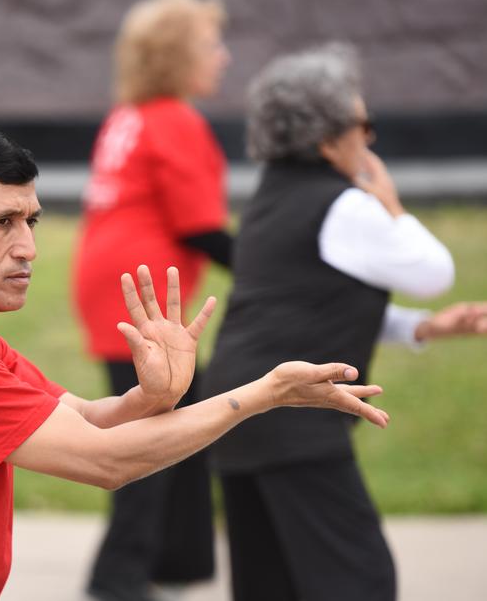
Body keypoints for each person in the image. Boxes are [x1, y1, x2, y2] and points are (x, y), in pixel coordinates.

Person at [0, 120, 391, 601]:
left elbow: (84, 418)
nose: (27, 247)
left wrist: (152, 398)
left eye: (30, 221)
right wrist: (262, 396)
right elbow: (106, 462)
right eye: (2, 223)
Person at [199, 43, 487, 601]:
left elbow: (309, 303)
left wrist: (422, 329)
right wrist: (392, 204)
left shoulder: (270, 197)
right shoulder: (345, 206)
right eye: (363, 123)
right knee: (357, 579)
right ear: (329, 139)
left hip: (236, 408)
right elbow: (435, 271)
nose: (371, 138)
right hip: (292, 419)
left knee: (270, 584)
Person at [72, 0, 232, 601]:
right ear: (177, 56)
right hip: (142, 297)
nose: (223, 57)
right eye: (211, 45)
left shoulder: (131, 115)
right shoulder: (173, 120)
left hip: (112, 286)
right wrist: (273, 271)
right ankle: (119, 578)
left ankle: (177, 562)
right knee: (155, 434)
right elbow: (202, 229)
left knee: (185, 420)